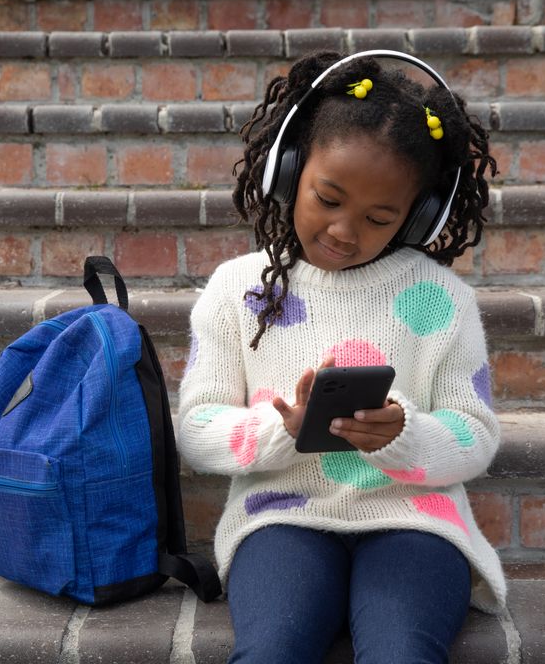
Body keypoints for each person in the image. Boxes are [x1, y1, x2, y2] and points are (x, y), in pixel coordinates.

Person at [176, 49, 506, 664]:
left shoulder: (441, 301)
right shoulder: (238, 290)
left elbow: (476, 435)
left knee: (401, 653)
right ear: (288, 168)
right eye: (327, 199)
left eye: (380, 218)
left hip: (415, 520)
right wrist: (282, 429)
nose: (345, 231)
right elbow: (196, 429)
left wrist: (401, 435)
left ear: (420, 219)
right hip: (279, 517)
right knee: (271, 651)